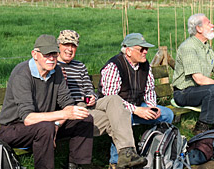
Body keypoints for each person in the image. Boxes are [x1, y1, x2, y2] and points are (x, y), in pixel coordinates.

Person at [0, 34, 94, 169]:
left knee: (85, 119)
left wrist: (56, 125)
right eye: (47, 55)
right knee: (45, 127)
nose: (51, 59)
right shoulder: (22, 74)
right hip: (13, 128)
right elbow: (28, 119)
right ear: (35, 54)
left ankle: (78, 165)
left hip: (46, 125)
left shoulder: (56, 71)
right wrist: (62, 116)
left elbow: (67, 103)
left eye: (54, 55)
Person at [56, 30, 147, 168]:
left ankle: (127, 153)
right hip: (71, 108)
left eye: (73, 46)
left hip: (88, 105)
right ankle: (122, 157)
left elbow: (88, 88)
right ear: (59, 46)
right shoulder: (53, 66)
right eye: (66, 45)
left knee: (114, 99)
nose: (70, 49)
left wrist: (92, 96)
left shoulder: (79, 66)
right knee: (115, 118)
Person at [99, 33, 174, 166]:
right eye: (141, 49)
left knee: (167, 114)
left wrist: (151, 107)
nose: (145, 52)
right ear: (128, 50)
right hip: (116, 111)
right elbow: (111, 99)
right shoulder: (114, 66)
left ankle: (154, 152)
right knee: (122, 120)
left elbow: (149, 90)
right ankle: (116, 162)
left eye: (146, 49)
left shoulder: (145, 66)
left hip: (138, 105)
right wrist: (136, 110)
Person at [172, 13, 214, 135]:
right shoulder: (188, 48)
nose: (212, 25)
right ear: (199, 28)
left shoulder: (206, 47)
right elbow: (199, 79)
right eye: (208, 23)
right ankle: (202, 128)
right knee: (213, 89)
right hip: (183, 92)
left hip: (200, 89)